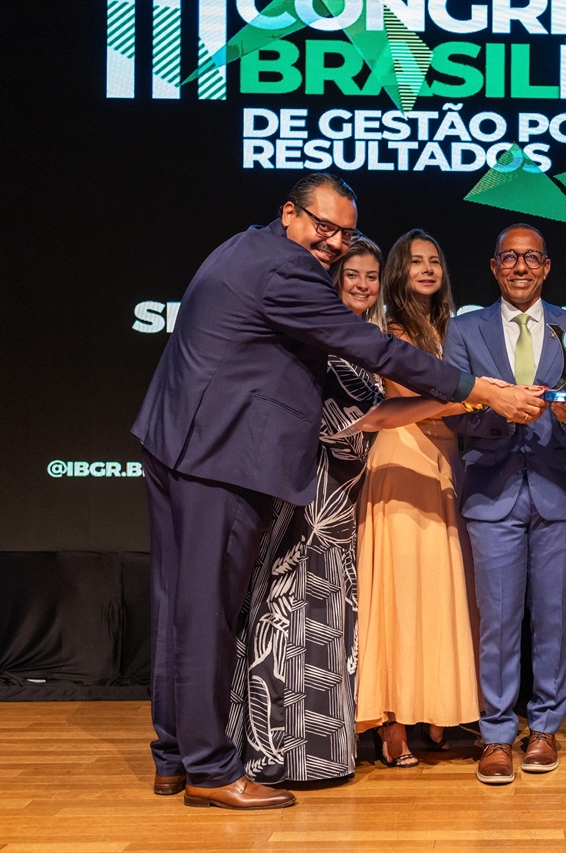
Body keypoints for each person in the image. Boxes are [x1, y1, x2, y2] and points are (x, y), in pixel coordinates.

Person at [132, 173, 545, 810]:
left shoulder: (244, 247)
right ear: (289, 214)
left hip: (179, 440)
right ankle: (210, 771)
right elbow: (369, 346)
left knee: (179, 606)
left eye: (345, 233)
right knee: (204, 612)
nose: (332, 243)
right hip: (218, 452)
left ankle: (173, 758)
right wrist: (478, 388)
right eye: (323, 227)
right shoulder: (285, 269)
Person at [443, 223, 566, 785]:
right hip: (491, 493)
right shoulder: (464, 330)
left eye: (530, 258)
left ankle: (545, 729)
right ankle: (496, 735)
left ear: (546, 266)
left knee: (553, 619)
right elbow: (453, 410)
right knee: (499, 622)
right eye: (509, 257)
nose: (520, 267)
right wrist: (499, 410)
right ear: (493, 267)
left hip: (556, 491)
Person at [227, 235, 386, 784]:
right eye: (352, 275)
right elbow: (316, 418)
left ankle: (326, 755)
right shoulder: (315, 336)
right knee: (288, 618)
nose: (362, 285)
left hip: (345, 502)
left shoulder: (369, 341)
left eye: (371, 276)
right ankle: (276, 756)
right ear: (333, 281)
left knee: (333, 626)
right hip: (307, 494)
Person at [353, 230, 480, 767]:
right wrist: (481, 398)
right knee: (401, 597)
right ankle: (392, 722)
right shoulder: (392, 330)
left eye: (435, 261)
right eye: (414, 262)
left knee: (444, 594)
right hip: (401, 459)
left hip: (447, 463)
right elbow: (408, 398)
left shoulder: (455, 329)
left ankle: (438, 708)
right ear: (396, 273)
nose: (427, 269)